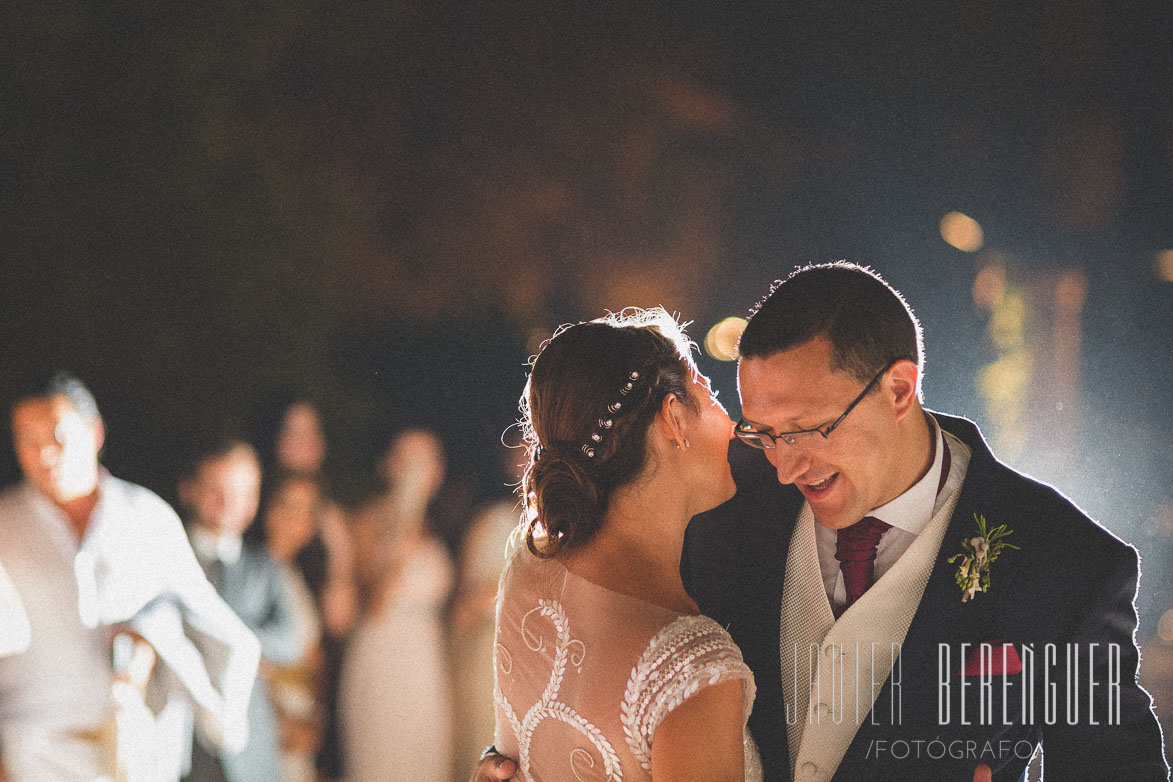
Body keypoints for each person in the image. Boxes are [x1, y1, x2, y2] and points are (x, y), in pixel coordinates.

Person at [681, 262, 1169, 780]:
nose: (785, 467)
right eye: (764, 432)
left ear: (897, 389)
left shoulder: (1065, 562)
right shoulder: (721, 507)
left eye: (808, 429)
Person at [490, 307, 760, 781]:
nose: (732, 422)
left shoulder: (528, 568)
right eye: (710, 393)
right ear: (674, 418)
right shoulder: (692, 670)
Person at [0, 372, 260, 782]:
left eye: (56, 435)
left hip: (137, 751)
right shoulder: (5, 524)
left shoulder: (146, 517)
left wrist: (159, 644)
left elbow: (217, 629)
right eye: (26, 440)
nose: (43, 453)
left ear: (95, 432)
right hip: (31, 750)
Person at [179, 437, 305, 782]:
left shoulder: (264, 567)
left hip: (248, 746)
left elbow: (290, 642)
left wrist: (230, 638)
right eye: (216, 491)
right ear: (189, 489)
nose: (228, 504)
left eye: (243, 493)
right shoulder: (170, 558)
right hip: (181, 739)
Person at [339, 428, 456, 782]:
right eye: (411, 461)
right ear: (389, 465)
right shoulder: (367, 521)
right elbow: (374, 603)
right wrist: (407, 513)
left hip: (426, 659)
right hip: (384, 654)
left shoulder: (439, 526)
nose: (422, 471)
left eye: (430, 460)